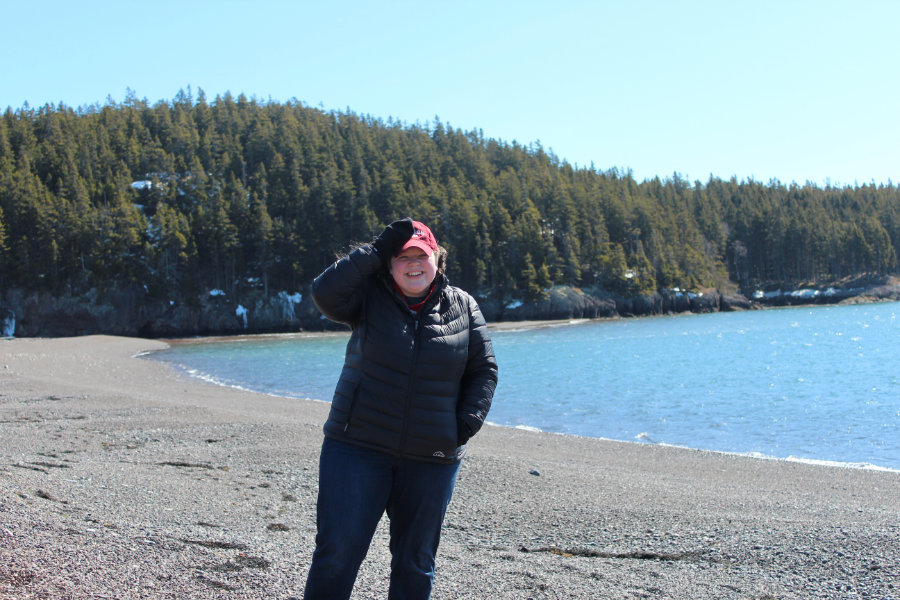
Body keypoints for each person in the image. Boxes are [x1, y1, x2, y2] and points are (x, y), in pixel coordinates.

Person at [303, 218, 499, 600]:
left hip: (432, 458)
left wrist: (464, 424)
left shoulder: (464, 306)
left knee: (416, 563)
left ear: (436, 260)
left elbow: (484, 369)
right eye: (402, 257)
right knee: (337, 555)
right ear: (389, 265)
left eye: (421, 255)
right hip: (357, 447)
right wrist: (373, 252)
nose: (413, 264)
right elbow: (324, 294)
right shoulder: (368, 296)